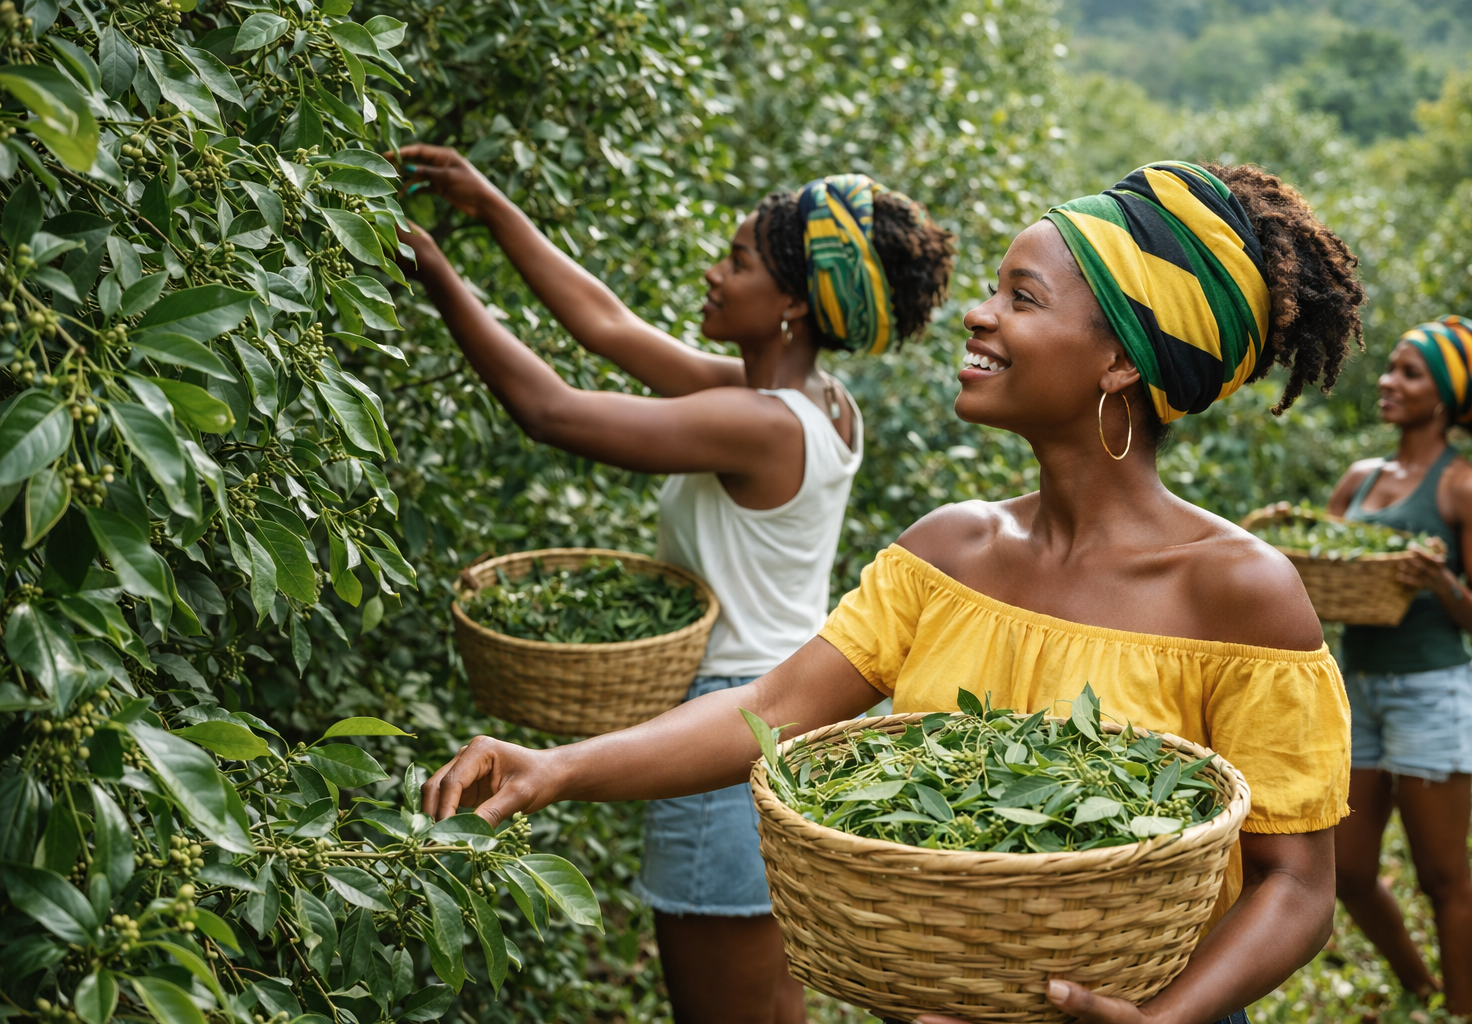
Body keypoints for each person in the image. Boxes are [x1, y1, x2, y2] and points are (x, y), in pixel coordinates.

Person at [420, 161, 1368, 1024]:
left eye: (1022, 298)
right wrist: (557, 768)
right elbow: (772, 707)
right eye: (993, 288)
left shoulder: (1240, 593)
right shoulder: (950, 550)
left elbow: (1296, 885)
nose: (979, 314)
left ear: (1120, 361)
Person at [392, 145, 955, 1024]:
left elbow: (551, 410)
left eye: (736, 262)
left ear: (793, 307)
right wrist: (490, 205)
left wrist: (432, 268)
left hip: (726, 736)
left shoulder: (759, 423)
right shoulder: (818, 404)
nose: (713, 273)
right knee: (770, 1004)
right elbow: (610, 328)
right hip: (793, 726)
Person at [1325, 316, 1472, 1019]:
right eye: (1391, 367)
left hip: (1431, 693)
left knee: (1443, 876)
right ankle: (1421, 988)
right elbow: (1319, 571)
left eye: (1409, 373)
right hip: (1357, 690)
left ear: (1442, 397)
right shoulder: (1358, 480)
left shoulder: (1465, 489)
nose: (1387, 381)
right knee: (1347, 871)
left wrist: (1441, 585)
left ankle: (1462, 1014)